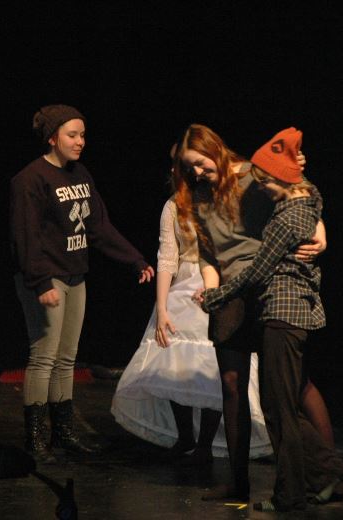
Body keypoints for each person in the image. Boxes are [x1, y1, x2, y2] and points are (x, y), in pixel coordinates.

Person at [171, 124, 330, 502]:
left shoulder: (252, 176)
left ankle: (325, 472)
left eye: (200, 163)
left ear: (216, 150)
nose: (196, 172)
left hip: (268, 283)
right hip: (230, 292)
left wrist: (321, 231)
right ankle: (238, 481)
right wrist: (212, 289)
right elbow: (209, 253)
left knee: (293, 387)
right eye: (188, 168)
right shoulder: (196, 196)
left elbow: (300, 194)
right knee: (231, 385)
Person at [10, 104, 154, 464]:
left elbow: (98, 227)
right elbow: (25, 237)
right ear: (53, 137)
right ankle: (36, 437)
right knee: (44, 356)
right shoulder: (30, 179)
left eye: (83, 135)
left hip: (76, 274)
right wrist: (41, 281)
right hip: (46, 277)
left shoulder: (80, 175)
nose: (80, 142)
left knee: (66, 358)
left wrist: (134, 258)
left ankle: (64, 432)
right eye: (72, 135)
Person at [111, 146, 272, 465]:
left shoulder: (222, 200)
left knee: (213, 367)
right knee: (176, 365)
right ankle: (186, 436)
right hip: (182, 290)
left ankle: (204, 443)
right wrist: (161, 308)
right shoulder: (173, 206)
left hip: (216, 287)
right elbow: (167, 258)